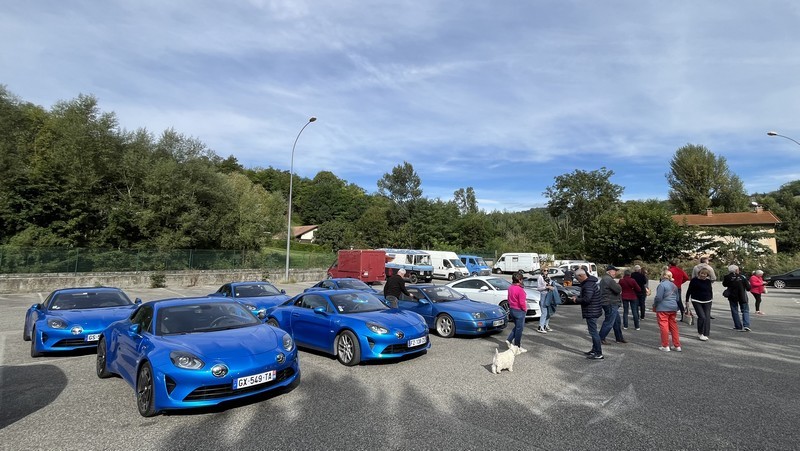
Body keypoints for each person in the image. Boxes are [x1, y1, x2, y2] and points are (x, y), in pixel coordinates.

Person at [572, 269, 604, 360]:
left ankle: (598, 353)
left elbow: (587, 299)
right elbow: (588, 296)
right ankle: (594, 350)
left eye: (577, 278)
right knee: (593, 332)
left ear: (582, 276)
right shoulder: (591, 282)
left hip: (591, 311)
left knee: (593, 333)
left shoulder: (588, 285)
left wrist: (576, 300)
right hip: (594, 310)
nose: (577, 280)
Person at [653, 269, 682, 352]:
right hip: (673, 308)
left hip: (663, 308)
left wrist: (655, 305)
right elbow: (677, 298)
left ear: (662, 276)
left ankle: (665, 345)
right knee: (673, 326)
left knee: (664, 326)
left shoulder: (661, 285)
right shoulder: (674, 286)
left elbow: (658, 297)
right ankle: (677, 345)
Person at [599, 265, 626, 344]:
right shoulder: (609, 279)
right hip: (610, 303)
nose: (615, 273)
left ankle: (619, 338)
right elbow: (618, 289)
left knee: (617, 321)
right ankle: (601, 338)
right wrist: (618, 285)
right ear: (609, 272)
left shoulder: (606, 279)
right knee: (609, 322)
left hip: (609, 302)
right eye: (614, 271)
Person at [685, 268, 713, 341]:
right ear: (699, 273)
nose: (703, 275)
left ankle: (705, 333)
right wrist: (687, 300)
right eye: (702, 273)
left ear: (707, 275)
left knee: (707, 317)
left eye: (705, 274)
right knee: (702, 317)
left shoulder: (708, 281)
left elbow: (710, 290)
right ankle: (700, 333)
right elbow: (689, 290)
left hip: (707, 301)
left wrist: (711, 299)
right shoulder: (694, 280)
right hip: (696, 300)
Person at [505, 272, 529, 352]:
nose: (522, 281)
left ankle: (509, 339)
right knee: (519, 329)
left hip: (512, 309)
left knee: (517, 327)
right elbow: (522, 302)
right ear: (519, 280)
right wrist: (525, 309)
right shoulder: (520, 290)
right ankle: (517, 346)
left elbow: (508, 299)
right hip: (519, 311)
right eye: (522, 279)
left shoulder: (510, 287)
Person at [723, 265, 751, 331]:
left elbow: (724, 284)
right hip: (742, 296)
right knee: (745, 310)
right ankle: (746, 325)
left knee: (734, 311)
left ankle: (738, 326)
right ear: (736, 270)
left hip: (732, 296)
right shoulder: (742, 277)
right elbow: (748, 288)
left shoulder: (727, 277)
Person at [536, 267, 555, 333]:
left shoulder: (548, 277)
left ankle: (546, 325)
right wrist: (546, 287)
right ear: (542, 271)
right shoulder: (540, 277)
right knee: (544, 312)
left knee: (549, 312)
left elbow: (551, 284)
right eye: (545, 270)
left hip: (549, 295)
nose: (546, 271)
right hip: (543, 295)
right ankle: (540, 327)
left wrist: (551, 287)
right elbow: (538, 288)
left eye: (547, 270)